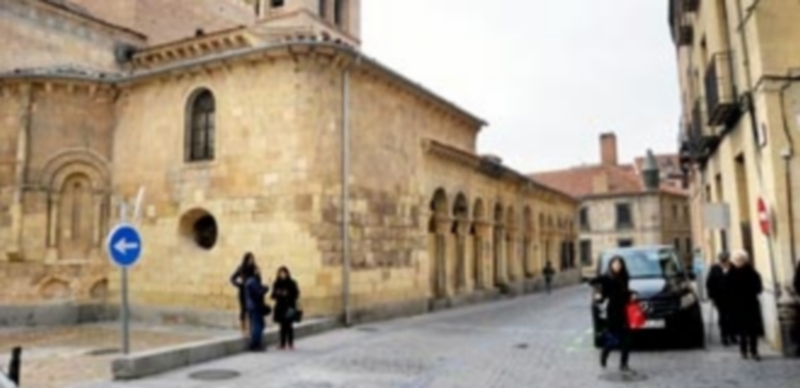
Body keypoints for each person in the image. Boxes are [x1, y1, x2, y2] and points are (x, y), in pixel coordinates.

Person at [593, 256, 635, 373]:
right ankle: (605, 353)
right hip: (613, 312)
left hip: (623, 311)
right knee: (614, 340)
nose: (617, 266)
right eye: (615, 264)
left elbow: (625, 292)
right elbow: (593, 283)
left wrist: (632, 295)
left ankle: (624, 364)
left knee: (627, 339)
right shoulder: (606, 278)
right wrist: (598, 295)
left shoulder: (624, 277)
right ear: (611, 265)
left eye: (619, 264)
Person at [728, 250, 764, 361]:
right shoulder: (737, 273)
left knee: (748, 330)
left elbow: (759, 288)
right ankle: (748, 351)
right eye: (738, 259)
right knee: (747, 331)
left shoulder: (748, 273)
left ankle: (749, 351)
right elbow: (759, 289)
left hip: (744, 305)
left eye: (740, 259)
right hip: (744, 305)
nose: (739, 261)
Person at [706, 251, 737, 345]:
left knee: (732, 316)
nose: (723, 263)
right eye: (722, 261)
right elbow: (709, 283)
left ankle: (733, 336)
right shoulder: (714, 269)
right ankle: (724, 337)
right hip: (720, 298)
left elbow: (737, 282)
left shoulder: (733, 268)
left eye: (725, 260)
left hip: (732, 297)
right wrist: (711, 295)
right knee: (723, 317)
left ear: (728, 259)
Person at [271, 266, 300, 350]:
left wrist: (288, 294)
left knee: (289, 326)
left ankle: (290, 343)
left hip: (289, 306)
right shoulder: (277, 283)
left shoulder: (292, 283)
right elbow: (273, 295)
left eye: (284, 273)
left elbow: (296, 294)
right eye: (281, 273)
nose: (282, 275)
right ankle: (282, 343)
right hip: (280, 307)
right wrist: (279, 294)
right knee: (282, 326)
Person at [243, 261, 269, 351]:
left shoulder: (251, 281)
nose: (259, 271)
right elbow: (258, 293)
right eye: (257, 270)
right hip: (255, 306)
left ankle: (257, 343)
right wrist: (265, 289)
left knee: (259, 324)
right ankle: (255, 344)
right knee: (258, 325)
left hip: (254, 305)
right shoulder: (252, 281)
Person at [230, 253, 256, 337]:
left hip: (252, 292)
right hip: (243, 291)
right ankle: (243, 329)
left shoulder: (254, 269)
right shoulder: (241, 268)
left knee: (251, 310)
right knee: (243, 310)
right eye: (249, 259)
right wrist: (239, 284)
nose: (251, 261)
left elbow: (258, 279)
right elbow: (232, 278)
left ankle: (251, 328)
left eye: (252, 259)